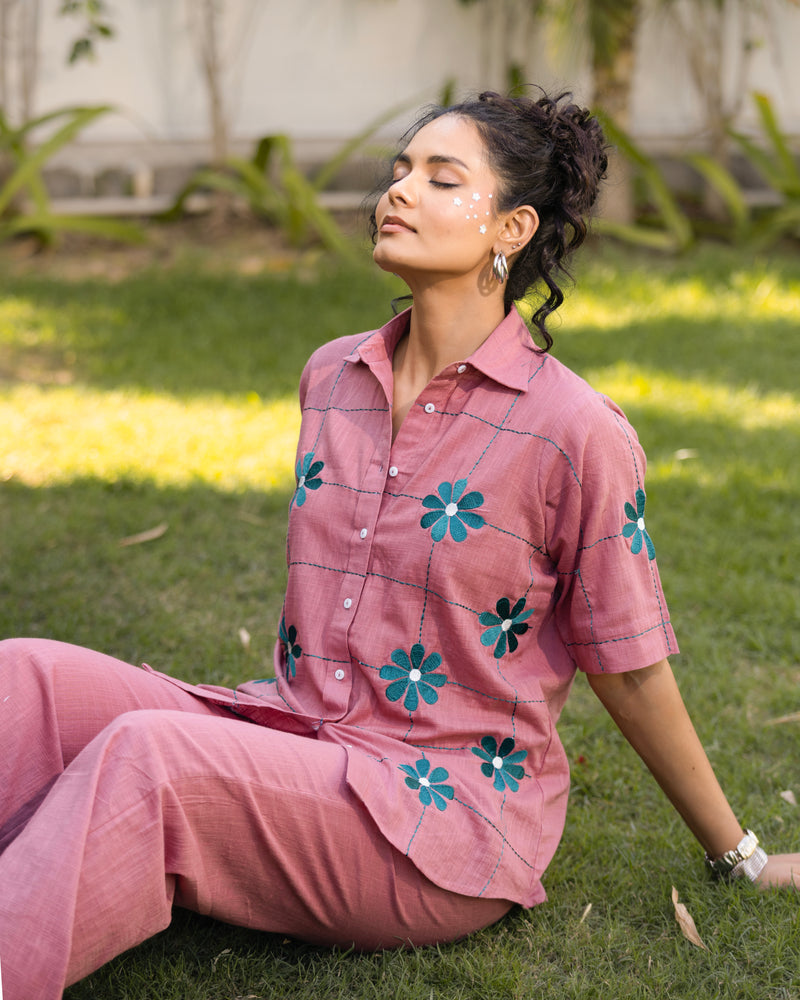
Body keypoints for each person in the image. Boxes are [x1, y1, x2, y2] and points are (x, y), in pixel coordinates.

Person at [0, 90, 797, 999]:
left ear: (512, 227)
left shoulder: (576, 431)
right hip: (295, 728)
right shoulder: (334, 376)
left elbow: (631, 665)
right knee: (23, 676)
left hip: (437, 821)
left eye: (440, 177)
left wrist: (739, 853)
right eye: (399, 171)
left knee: (150, 756)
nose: (398, 192)